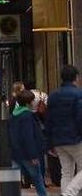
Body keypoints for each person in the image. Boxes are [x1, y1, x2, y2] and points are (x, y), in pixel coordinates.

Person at [45, 65, 82, 196]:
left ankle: (66, 193)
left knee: (66, 172)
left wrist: (49, 143)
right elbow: (80, 118)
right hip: (75, 139)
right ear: (76, 78)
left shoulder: (53, 96)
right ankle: (68, 193)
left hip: (58, 141)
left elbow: (48, 120)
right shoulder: (78, 94)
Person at [10, 90, 48, 196]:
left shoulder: (14, 115)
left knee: (14, 181)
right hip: (27, 154)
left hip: (16, 153)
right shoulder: (27, 116)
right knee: (38, 180)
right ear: (28, 103)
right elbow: (28, 137)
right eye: (32, 101)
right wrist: (33, 156)